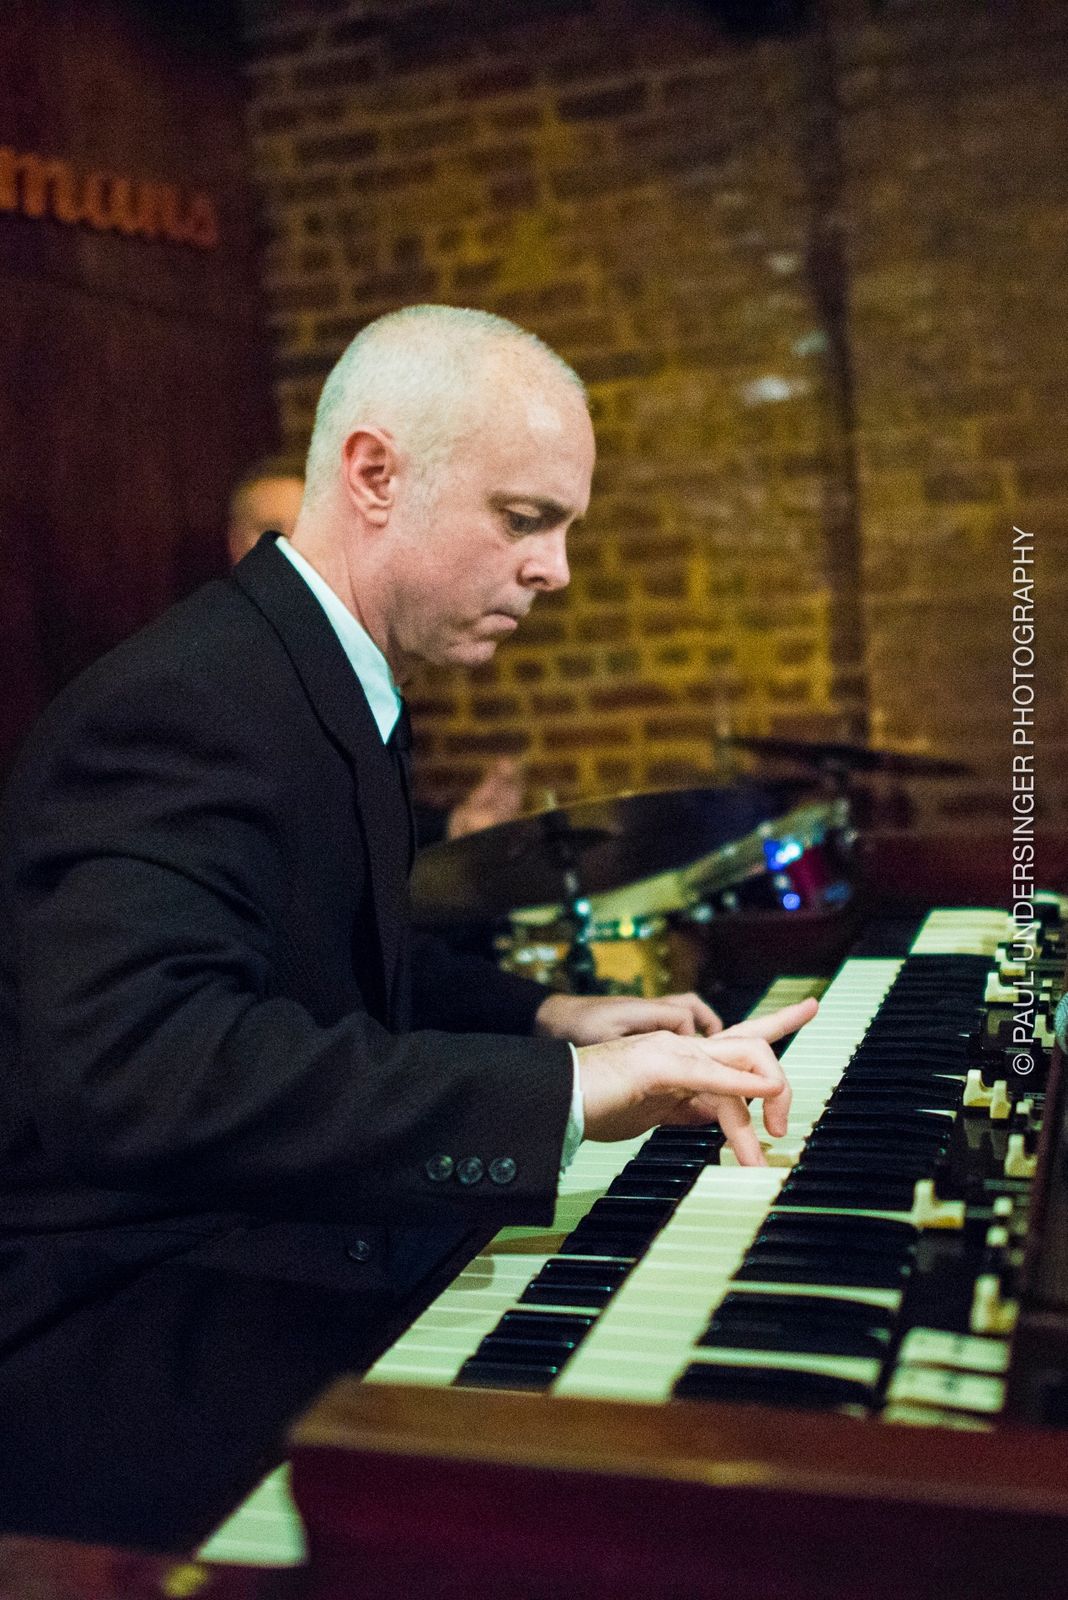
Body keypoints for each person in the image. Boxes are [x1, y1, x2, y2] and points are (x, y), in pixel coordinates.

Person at [0, 306, 814, 1360]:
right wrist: (568, 1094)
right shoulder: (185, 700)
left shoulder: (324, 671)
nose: (557, 569)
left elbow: (320, 967)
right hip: (141, 1306)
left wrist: (552, 1019)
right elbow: (141, 1068)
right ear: (376, 475)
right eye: (524, 519)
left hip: (269, 1241)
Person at [227, 457, 524, 844]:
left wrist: (456, 826)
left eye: (301, 528)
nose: (285, 544)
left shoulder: (349, 654)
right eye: (270, 530)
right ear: (234, 541)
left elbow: (358, 813)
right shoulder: (215, 661)